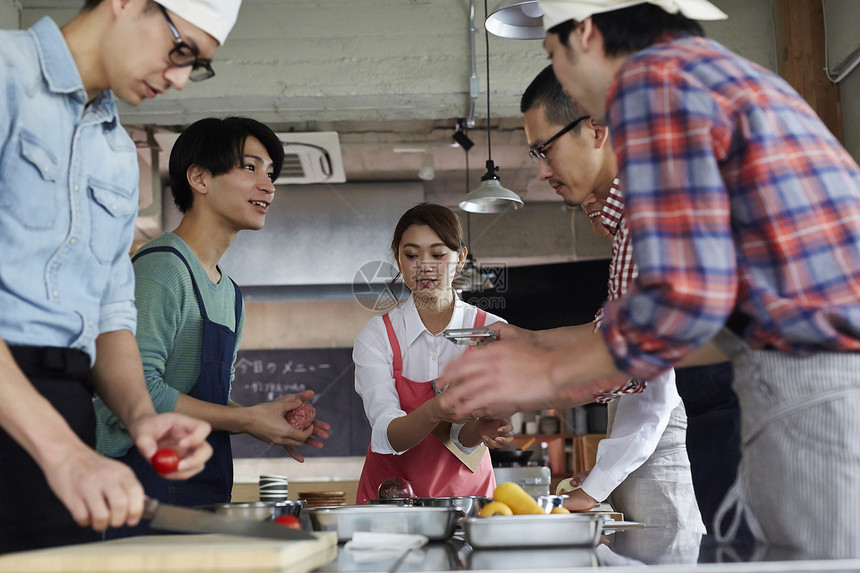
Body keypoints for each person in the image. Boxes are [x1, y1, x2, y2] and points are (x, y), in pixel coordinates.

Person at [440, 0, 860, 557]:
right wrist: (541, 355)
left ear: (585, 33)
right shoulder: (713, 79)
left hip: (811, 396)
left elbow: (682, 308)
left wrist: (545, 373)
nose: (563, 79)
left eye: (551, 53)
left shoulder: (663, 96)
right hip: (799, 388)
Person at [0, 0, 242, 553]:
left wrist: (141, 416)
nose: (180, 79)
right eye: (182, 51)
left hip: (64, 413)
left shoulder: (114, 152)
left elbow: (110, 312)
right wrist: (62, 452)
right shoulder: (4, 78)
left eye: (196, 65)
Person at [95, 117, 330, 535]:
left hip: (200, 486)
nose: (268, 185)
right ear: (199, 178)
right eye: (250, 167)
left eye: (271, 174)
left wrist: (262, 420)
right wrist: (245, 421)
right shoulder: (161, 268)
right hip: (139, 486)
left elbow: (210, 399)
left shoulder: (229, 293)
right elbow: (139, 390)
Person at [505, 64, 703, 531]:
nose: (541, 170)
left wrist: (520, 384)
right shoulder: (633, 219)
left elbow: (632, 362)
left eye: (544, 149)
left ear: (595, 129)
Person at [353, 203, 513, 502]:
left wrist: (483, 427)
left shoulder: (491, 330)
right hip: (389, 499)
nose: (424, 266)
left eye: (438, 255)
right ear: (399, 261)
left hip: (466, 499)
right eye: (411, 255)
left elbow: (462, 440)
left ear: (461, 258)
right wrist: (438, 408)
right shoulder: (377, 336)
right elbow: (388, 432)